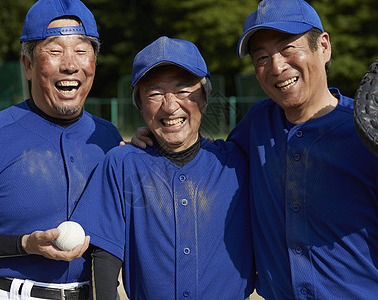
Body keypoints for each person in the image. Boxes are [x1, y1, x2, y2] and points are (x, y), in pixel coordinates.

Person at [227, 0, 378, 299]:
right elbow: (206, 158)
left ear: (323, 47)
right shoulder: (256, 125)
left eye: (288, 48)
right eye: (261, 57)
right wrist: (152, 141)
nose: (277, 66)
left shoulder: (376, 133)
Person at [0, 0, 122, 299]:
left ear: (94, 63)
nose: (70, 64)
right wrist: (24, 244)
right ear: (28, 65)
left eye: (82, 51)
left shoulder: (108, 138)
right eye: (55, 51)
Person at [79, 36, 255, 299]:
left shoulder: (236, 161)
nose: (171, 105)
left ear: (205, 100)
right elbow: (104, 254)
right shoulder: (122, 163)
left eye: (184, 91)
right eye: (155, 93)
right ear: (140, 105)